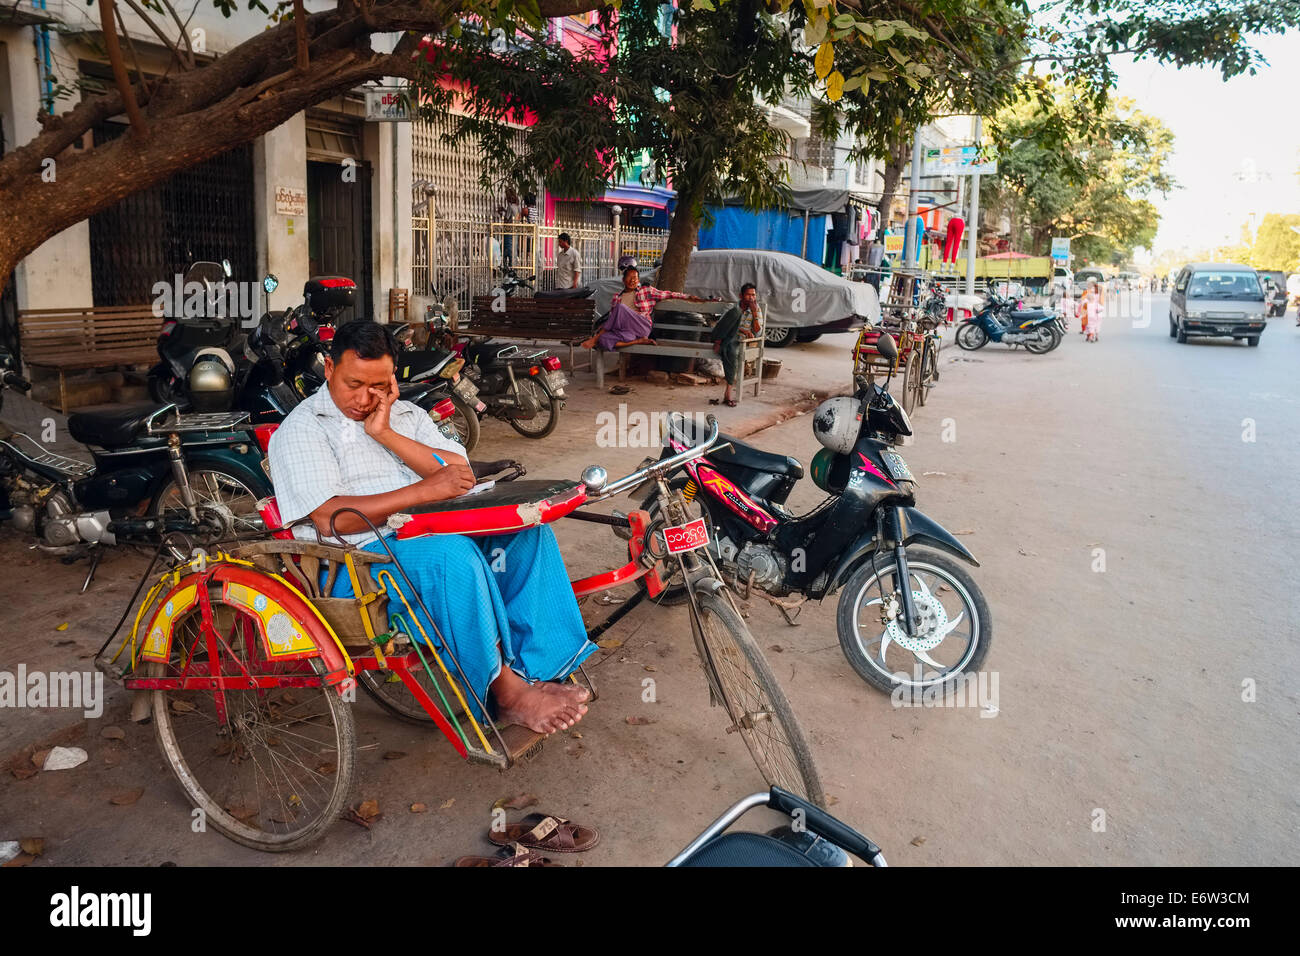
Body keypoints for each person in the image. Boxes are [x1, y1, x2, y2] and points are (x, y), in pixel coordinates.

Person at [268, 320, 594, 735]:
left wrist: (386, 433)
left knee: (526, 535)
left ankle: (537, 671)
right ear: (329, 369)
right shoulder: (304, 428)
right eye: (353, 384)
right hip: (357, 564)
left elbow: (459, 474)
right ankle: (506, 693)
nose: (365, 398)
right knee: (452, 559)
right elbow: (333, 519)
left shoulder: (405, 415)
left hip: (423, 534)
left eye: (379, 386)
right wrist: (421, 493)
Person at [579, 266, 704, 351]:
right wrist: (603, 329)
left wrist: (688, 296)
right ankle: (638, 342)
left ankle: (594, 339)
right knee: (604, 340)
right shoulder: (617, 297)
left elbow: (669, 294)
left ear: (638, 280)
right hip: (626, 331)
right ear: (623, 280)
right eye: (630, 277)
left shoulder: (646, 291)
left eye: (636, 278)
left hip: (641, 325)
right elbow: (614, 318)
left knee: (620, 308)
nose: (633, 280)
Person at [709, 283, 763, 407]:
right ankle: (719, 342)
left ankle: (728, 393)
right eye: (748, 295)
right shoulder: (732, 307)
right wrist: (743, 330)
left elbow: (757, 332)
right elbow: (723, 326)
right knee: (735, 314)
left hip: (739, 342)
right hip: (724, 335)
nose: (751, 298)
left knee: (731, 350)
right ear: (741, 295)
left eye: (753, 295)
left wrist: (754, 313)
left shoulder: (756, 309)